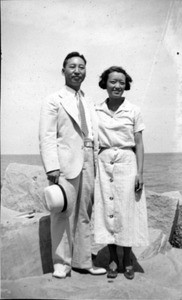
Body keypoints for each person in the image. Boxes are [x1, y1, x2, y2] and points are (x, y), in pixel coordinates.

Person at [39, 52, 106, 278]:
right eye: (72, 67)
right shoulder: (53, 99)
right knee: (62, 211)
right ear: (63, 70)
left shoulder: (88, 101)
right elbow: (47, 136)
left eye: (81, 67)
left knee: (85, 212)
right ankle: (61, 264)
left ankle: (83, 261)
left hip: (89, 159)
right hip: (65, 162)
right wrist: (51, 167)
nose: (77, 71)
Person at [93, 66, 149, 280]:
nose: (117, 86)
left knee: (127, 210)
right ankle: (113, 258)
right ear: (105, 84)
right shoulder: (96, 110)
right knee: (108, 209)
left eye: (121, 82)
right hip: (104, 162)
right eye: (113, 81)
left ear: (126, 85)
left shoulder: (134, 110)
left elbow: (139, 144)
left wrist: (140, 172)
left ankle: (127, 259)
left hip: (127, 162)